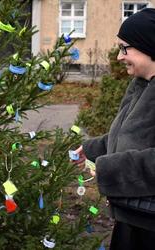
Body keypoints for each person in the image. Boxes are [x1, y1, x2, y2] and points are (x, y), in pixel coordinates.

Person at [75, 8, 155, 250]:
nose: (119, 57)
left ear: (149, 47)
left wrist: (110, 169)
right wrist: (91, 149)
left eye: (124, 48)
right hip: (133, 217)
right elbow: (131, 135)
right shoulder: (141, 86)